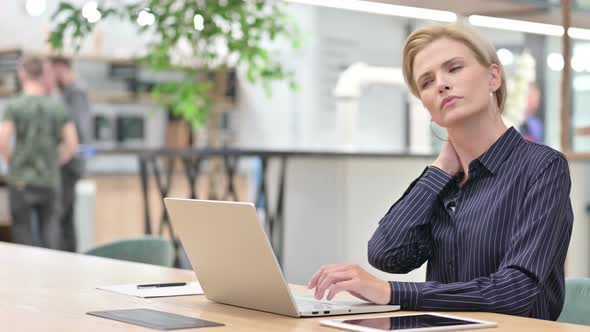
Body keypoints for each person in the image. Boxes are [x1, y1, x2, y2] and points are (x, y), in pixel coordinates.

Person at [307, 24, 573, 321]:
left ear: (493, 77)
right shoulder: (446, 181)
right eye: (427, 82)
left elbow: (516, 290)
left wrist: (392, 293)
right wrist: (440, 169)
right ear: (426, 105)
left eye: (454, 68)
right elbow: (387, 254)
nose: (441, 84)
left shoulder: (543, 167)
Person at [0, 55, 79, 249]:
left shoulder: (14, 105)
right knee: (51, 235)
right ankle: (52, 278)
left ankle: (26, 279)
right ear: (43, 74)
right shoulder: (56, 106)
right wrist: (56, 160)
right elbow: (72, 143)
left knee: (23, 236)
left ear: (22, 73)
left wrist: (12, 162)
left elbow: (3, 140)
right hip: (49, 180)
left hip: (21, 181)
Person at [49, 56, 91, 252]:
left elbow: (78, 130)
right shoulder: (67, 93)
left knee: (61, 216)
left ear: (60, 67)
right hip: (70, 162)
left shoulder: (76, 93)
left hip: (70, 163)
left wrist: (63, 154)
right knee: (65, 217)